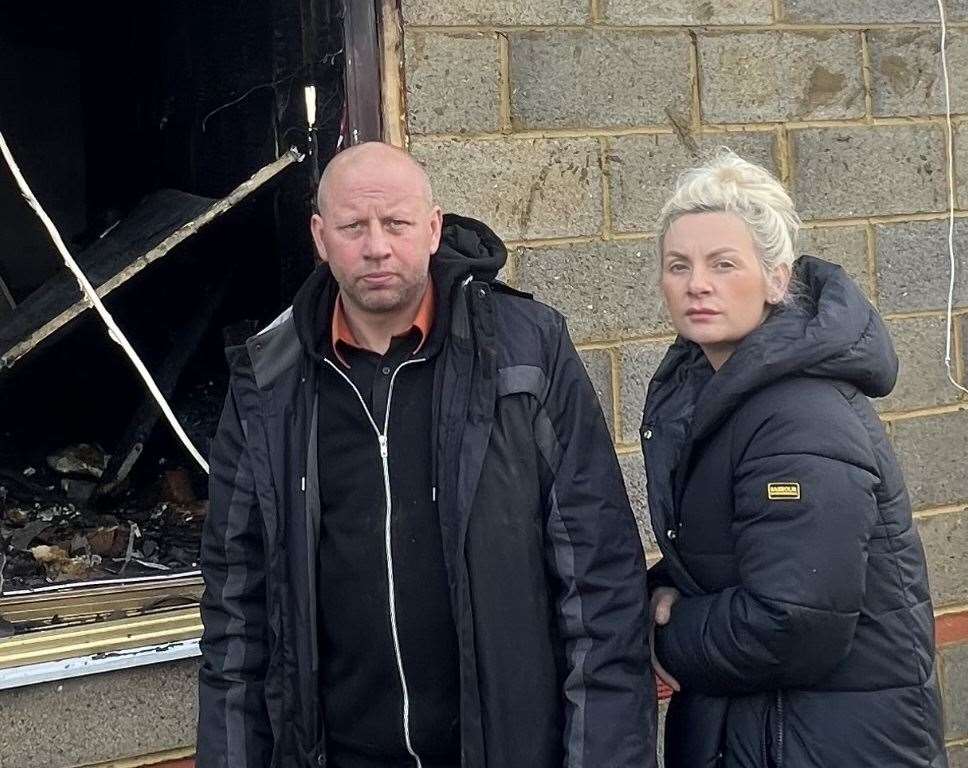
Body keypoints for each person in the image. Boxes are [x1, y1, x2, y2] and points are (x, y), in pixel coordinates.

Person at [196, 141, 656, 768]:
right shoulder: (268, 382)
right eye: (354, 226)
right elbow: (235, 613)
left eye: (397, 223)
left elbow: (599, 581)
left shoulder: (525, 351)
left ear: (434, 228)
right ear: (319, 236)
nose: (377, 246)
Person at [643, 151, 948, 767]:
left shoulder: (799, 417)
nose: (697, 283)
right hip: (768, 733)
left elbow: (793, 623)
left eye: (723, 264)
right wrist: (659, 588)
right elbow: (738, 550)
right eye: (679, 266)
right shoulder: (715, 391)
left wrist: (667, 637)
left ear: (777, 280)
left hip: (824, 743)